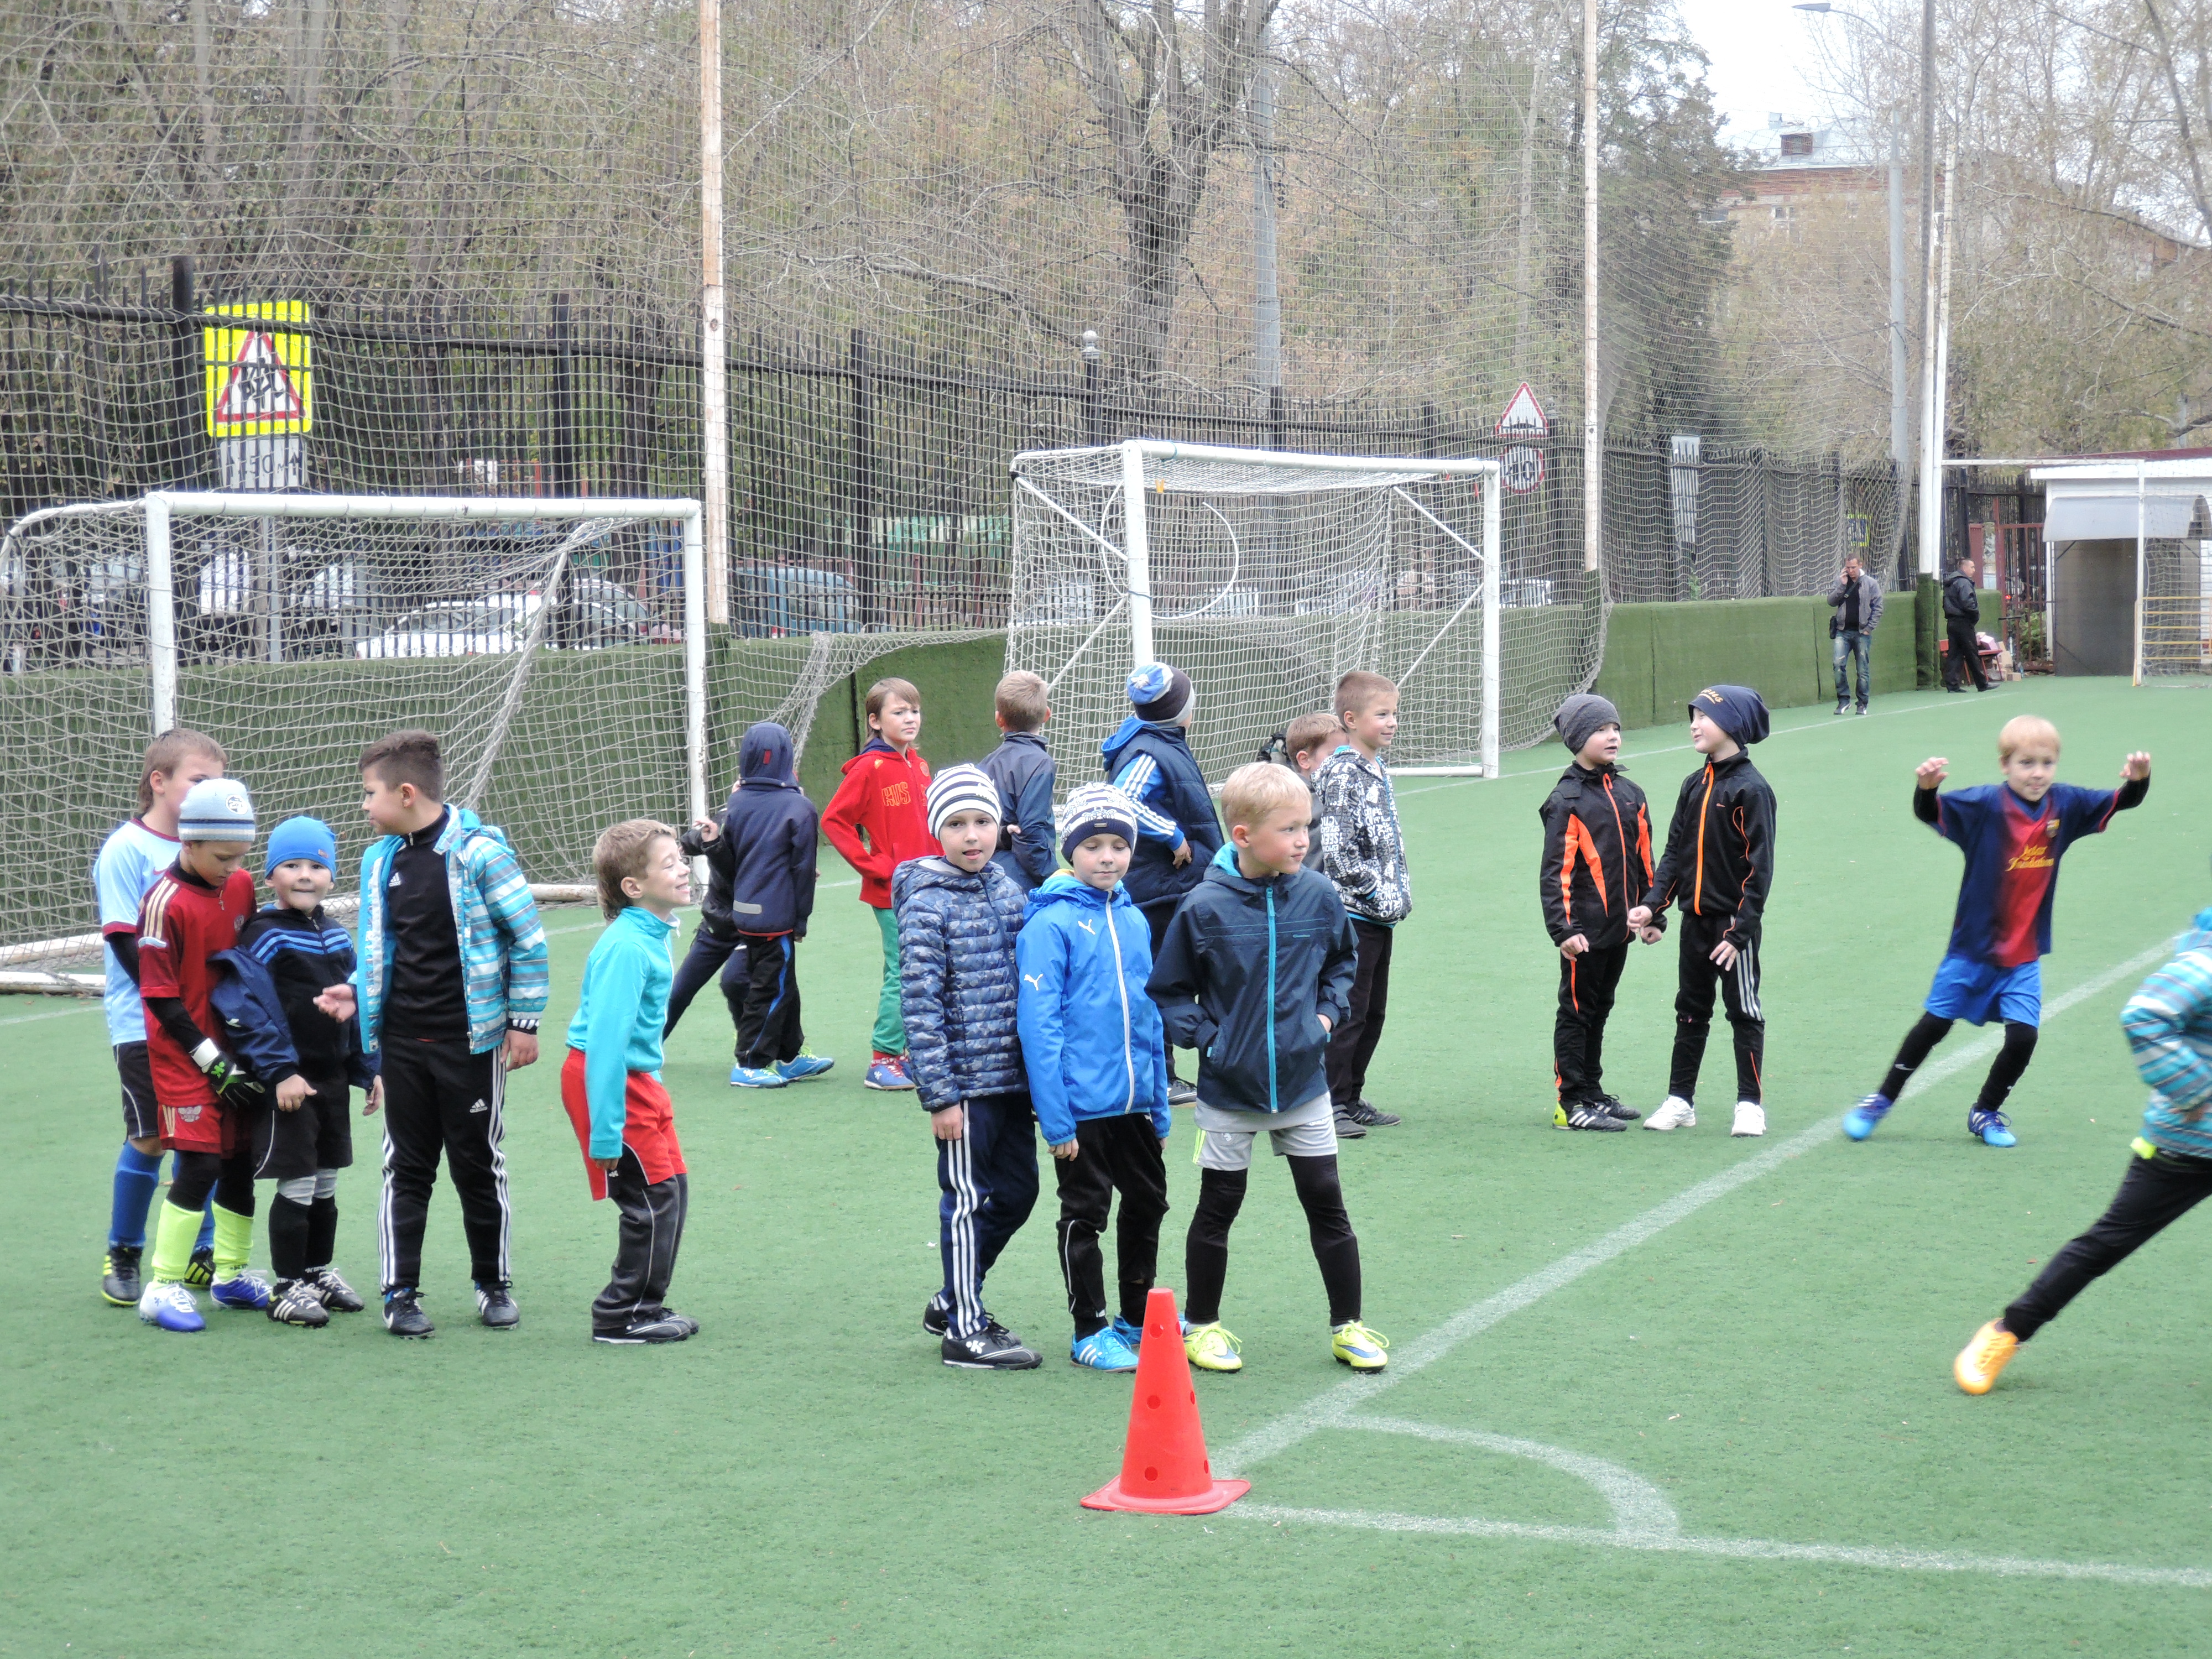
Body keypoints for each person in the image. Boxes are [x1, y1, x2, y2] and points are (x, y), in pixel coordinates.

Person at [1147, 762, 1387, 1375]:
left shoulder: (1318, 894)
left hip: (1305, 1085)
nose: (1303, 840)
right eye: (1289, 830)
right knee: (1218, 1206)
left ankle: (1348, 1326)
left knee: (1326, 1203)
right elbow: (1169, 992)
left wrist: (1325, 1018)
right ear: (1243, 835)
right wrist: (1212, 1042)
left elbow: (1342, 963)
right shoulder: (1203, 907)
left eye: (1306, 826)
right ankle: (1202, 1327)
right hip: (1229, 1089)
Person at [319, 729, 548, 1338]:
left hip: (471, 1045)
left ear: (406, 793)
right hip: (401, 1046)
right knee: (406, 1168)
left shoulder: (480, 855)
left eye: (370, 794)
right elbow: (382, 945)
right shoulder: (380, 861)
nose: (364, 806)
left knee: (478, 1164)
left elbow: (528, 940)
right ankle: (400, 1294)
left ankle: (493, 1284)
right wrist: (358, 991)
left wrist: (523, 1023)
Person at [1844, 717, 2151, 1148]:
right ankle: (1881, 1100)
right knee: (1933, 1026)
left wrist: (2139, 780)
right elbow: (1929, 812)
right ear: (2005, 765)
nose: (2038, 773)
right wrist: (1926, 789)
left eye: (2047, 763)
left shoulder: (2065, 805)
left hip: (2023, 956)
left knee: (2024, 1036)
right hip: (1971, 951)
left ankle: (1985, 1111)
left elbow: (2121, 801)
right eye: (2026, 763)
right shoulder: (1985, 805)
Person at [1954, 899, 2212, 1394]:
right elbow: (2145, 1016)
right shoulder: (2204, 963)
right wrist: (2196, 1090)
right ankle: (2007, 1333)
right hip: (2188, 1147)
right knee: (2106, 1244)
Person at [1016, 784, 1172, 1373]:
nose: (1108, 857)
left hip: (1133, 1103)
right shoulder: (1049, 924)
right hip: (1081, 1108)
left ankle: (1135, 1317)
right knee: (1086, 1213)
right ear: (1070, 850)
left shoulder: (1132, 918)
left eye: (1119, 846)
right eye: (1093, 846)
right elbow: (1039, 1028)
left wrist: (1159, 1105)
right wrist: (1056, 1119)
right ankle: (1089, 1329)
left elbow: (1149, 1017)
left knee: (1149, 1202)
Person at [898, 765, 1038, 1369]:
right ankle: (965, 1330)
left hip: (1012, 1083)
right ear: (938, 832)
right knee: (965, 1201)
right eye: (956, 824)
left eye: (982, 821)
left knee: (1020, 1193)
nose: (972, 835)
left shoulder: (1008, 889)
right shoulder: (926, 903)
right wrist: (941, 1095)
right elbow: (920, 1005)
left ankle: (953, 1297)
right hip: (964, 1089)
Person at [133, 778, 280, 1332]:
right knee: (200, 1165)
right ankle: (162, 1286)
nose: (233, 868)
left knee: (241, 1161)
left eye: (240, 857)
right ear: (188, 843)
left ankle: (231, 1275)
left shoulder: (239, 885)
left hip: (239, 1050)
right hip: (185, 1056)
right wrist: (210, 1061)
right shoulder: (162, 903)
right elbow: (160, 997)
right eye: (222, 857)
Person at [224, 816, 377, 1327]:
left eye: (316, 865)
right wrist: (280, 1071)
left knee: (326, 1182)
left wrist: (369, 1069)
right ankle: (287, 1286)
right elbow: (248, 1009)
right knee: (298, 1184)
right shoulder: (264, 934)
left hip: (332, 1081)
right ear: (271, 876)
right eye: (291, 865)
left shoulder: (336, 934)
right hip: (291, 1084)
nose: (305, 875)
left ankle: (316, 1271)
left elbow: (358, 1008)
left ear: (333, 876)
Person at [96, 728, 225, 1307]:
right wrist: (171, 1005)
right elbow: (127, 943)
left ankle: (202, 1251)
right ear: (159, 782)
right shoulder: (127, 849)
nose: (210, 791)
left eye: (218, 782)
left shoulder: (212, 848)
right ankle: (123, 1250)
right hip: (145, 1025)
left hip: (205, 1025)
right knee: (149, 1136)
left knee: (204, 1137)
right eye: (199, 780)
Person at [561, 820, 697, 1344]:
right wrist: (606, 1132)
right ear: (634, 887)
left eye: (680, 859)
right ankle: (619, 1314)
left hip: (637, 1080)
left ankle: (646, 1304)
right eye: (670, 864)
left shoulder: (651, 933)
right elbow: (605, 1044)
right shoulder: (627, 948)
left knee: (672, 1188)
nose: (683, 869)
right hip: (609, 1080)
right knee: (650, 1198)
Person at [1627, 686, 1777, 1138]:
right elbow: (1674, 854)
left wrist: (1740, 933)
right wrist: (1652, 907)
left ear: (1732, 724)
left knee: (1744, 1011)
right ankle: (1680, 1100)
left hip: (1732, 928)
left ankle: (1749, 1105)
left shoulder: (1752, 789)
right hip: (1693, 924)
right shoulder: (1693, 784)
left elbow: (1760, 870)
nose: (1694, 725)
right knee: (1690, 1010)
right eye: (1692, 717)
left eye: (1704, 717)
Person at [1540, 693, 1663, 1132]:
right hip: (1583, 935)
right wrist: (1564, 930)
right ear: (1577, 739)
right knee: (1576, 1011)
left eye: (1615, 728)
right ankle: (1570, 1102)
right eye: (1599, 730)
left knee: (1600, 1008)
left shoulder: (1631, 794)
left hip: (1619, 931)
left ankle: (1592, 1091)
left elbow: (1645, 861)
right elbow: (1555, 873)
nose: (1612, 736)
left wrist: (1653, 914)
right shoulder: (1567, 799)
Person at [1101, 661, 1223, 1106]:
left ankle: (1173, 1072)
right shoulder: (1150, 749)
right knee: (1161, 979)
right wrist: (1173, 835)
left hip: (1171, 886)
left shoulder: (1159, 741)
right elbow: (1124, 800)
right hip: (1160, 889)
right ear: (1182, 710)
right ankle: (1162, 1077)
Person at [822, 677, 934, 1092]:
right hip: (893, 892)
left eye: (914, 711)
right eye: (898, 712)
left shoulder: (920, 765)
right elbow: (834, 820)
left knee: (920, 969)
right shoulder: (869, 768)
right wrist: (874, 865)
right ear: (874, 721)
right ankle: (883, 1057)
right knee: (904, 970)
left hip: (929, 886)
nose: (910, 719)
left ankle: (905, 1054)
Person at [1313, 670, 1411, 1137]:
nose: (1392, 722)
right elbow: (1338, 852)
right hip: (1353, 916)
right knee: (1348, 1012)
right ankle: (1328, 1104)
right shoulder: (1341, 772)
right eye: (1382, 714)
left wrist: (1392, 898)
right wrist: (1375, 892)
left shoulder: (1376, 767)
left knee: (1373, 1012)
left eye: (1394, 713)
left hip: (1380, 917)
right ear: (1350, 720)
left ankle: (1351, 1096)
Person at [719, 722, 830, 1089]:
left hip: (745, 911)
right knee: (772, 990)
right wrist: (801, 919)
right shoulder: (799, 807)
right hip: (777, 917)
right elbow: (803, 870)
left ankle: (791, 1055)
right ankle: (750, 1062)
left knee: (784, 983)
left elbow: (728, 859)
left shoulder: (736, 803)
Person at [667, 773, 746, 1042]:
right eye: (740, 783)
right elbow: (690, 841)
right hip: (716, 927)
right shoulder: (724, 821)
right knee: (678, 992)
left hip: (753, 931)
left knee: (739, 985)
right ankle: (643, 1051)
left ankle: (752, 1049)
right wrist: (678, 846)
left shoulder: (772, 827)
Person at [978, 669, 1056, 894]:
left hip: (987, 872)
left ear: (998, 719)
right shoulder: (1041, 763)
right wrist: (1052, 876)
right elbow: (1030, 831)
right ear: (1047, 715)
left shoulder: (986, 763)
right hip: (1023, 882)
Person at [1826, 554, 1883, 715]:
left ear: (1860, 566)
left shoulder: (1870, 583)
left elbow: (1878, 607)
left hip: (1862, 633)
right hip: (1842, 632)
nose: (1851, 571)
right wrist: (1842, 586)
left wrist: (1869, 628)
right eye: (1848, 568)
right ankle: (1844, 701)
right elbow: (1831, 601)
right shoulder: (1841, 582)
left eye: (1853, 567)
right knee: (1838, 665)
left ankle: (1862, 703)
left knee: (1862, 669)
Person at [1943, 555, 1989, 692]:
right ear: (1964, 568)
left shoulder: (1950, 582)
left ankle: (1952, 685)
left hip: (1952, 622)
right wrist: (1974, 616)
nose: (1974, 570)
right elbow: (1968, 603)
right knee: (1972, 653)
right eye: (1972, 567)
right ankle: (1982, 684)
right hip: (1964, 622)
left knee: (1955, 654)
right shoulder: (1964, 583)